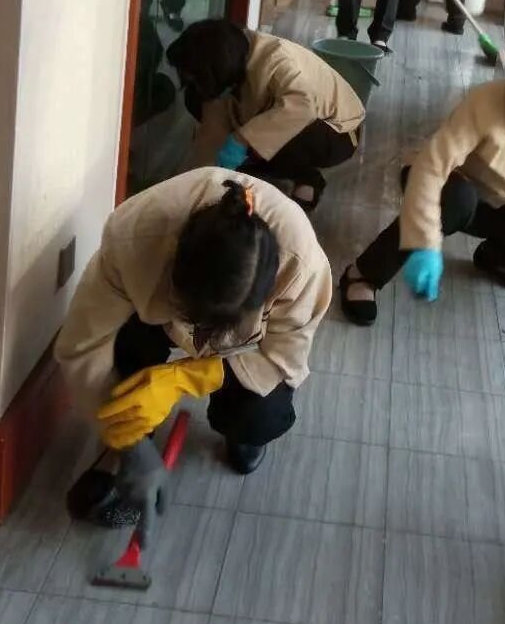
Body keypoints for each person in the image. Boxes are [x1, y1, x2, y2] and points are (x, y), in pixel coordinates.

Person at [55, 170, 332, 522]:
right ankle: (129, 426)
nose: (200, 335)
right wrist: (129, 442)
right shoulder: (133, 238)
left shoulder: (301, 267)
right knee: (126, 340)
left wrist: (181, 379)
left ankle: (241, 430)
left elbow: (282, 360)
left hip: (249, 350)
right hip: (158, 310)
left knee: (258, 413)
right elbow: (84, 347)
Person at [339, 35, 505, 324]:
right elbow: (431, 168)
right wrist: (424, 240)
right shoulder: (485, 100)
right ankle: (363, 274)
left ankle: (497, 258)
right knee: (455, 198)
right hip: (454, 191)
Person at [166, 19, 364, 211]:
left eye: (195, 75)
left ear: (215, 69)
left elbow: (303, 106)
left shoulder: (275, 59)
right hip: (291, 116)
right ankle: (263, 161)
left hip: (337, 132)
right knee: (197, 99)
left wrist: (241, 139)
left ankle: (307, 177)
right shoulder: (230, 61)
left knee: (281, 126)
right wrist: (197, 180)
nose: (190, 80)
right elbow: (211, 133)